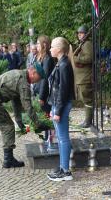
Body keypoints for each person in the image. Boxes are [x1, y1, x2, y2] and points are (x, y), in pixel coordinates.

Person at [47, 37, 75, 181]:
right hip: (58, 104)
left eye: (52, 46)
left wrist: (57, 111)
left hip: (61, 105)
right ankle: (62, 166)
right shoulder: (61, 63)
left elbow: (63, 91)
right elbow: (56, 90)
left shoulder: (64, 65)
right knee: (61, 137)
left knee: (63, 138)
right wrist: (53, 108)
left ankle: (65, 171)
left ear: (59, 49)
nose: (50, 49)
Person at [73, 26, 94, 128]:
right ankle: (87, 120)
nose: (79, 35)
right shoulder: (82, 44)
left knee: (87, 100)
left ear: (86, 34)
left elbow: (89, 58)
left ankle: (88, 121)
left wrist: (76, 59)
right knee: (85, 100)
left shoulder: (87, 44)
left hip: (85, 77)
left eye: (81, 33)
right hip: (81, 77)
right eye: (78, 33)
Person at [34, 35, 55, 130]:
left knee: (46, 116)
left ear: (44, 44)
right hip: (38, 90)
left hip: (45, 94)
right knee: (43, 116)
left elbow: (45, 78)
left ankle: (49, 138)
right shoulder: (41, 57)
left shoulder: (47, 58)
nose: (36, 45)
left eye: (38, 43)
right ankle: (48, 137)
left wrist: (41, 96)